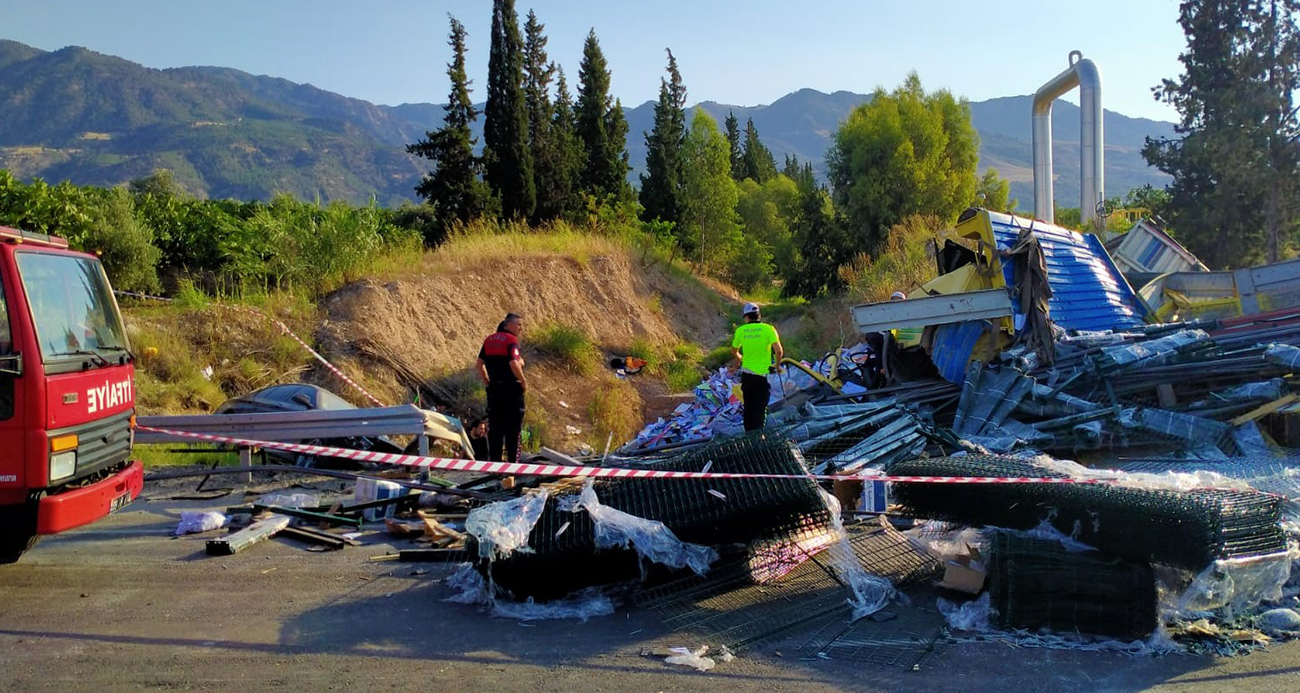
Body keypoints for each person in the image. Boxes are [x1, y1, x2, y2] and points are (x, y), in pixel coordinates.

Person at [475, 312, 527, 463]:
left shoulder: (489, 340)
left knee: (495, 429)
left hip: (495, 391)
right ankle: (512, 466)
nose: (520, 328)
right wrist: (523, 381)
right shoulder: (511, 340)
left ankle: (495, 464)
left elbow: (479, 365)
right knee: (513, 430)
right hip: (512, 390)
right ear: (507, 325)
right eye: (518, 324)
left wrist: (487, 382)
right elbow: (513, 363)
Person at [730, 302, 783, 431]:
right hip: (762, 377)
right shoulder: (769, 329)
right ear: (759, 315)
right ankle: (759, 438)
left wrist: (738, 360)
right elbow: (779, 351)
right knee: (760, 409)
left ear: (746, 317)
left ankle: (749, 435)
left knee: (748, 407)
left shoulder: (741, 331)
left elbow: (733, 351)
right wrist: (777, 365)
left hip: (747, 376)